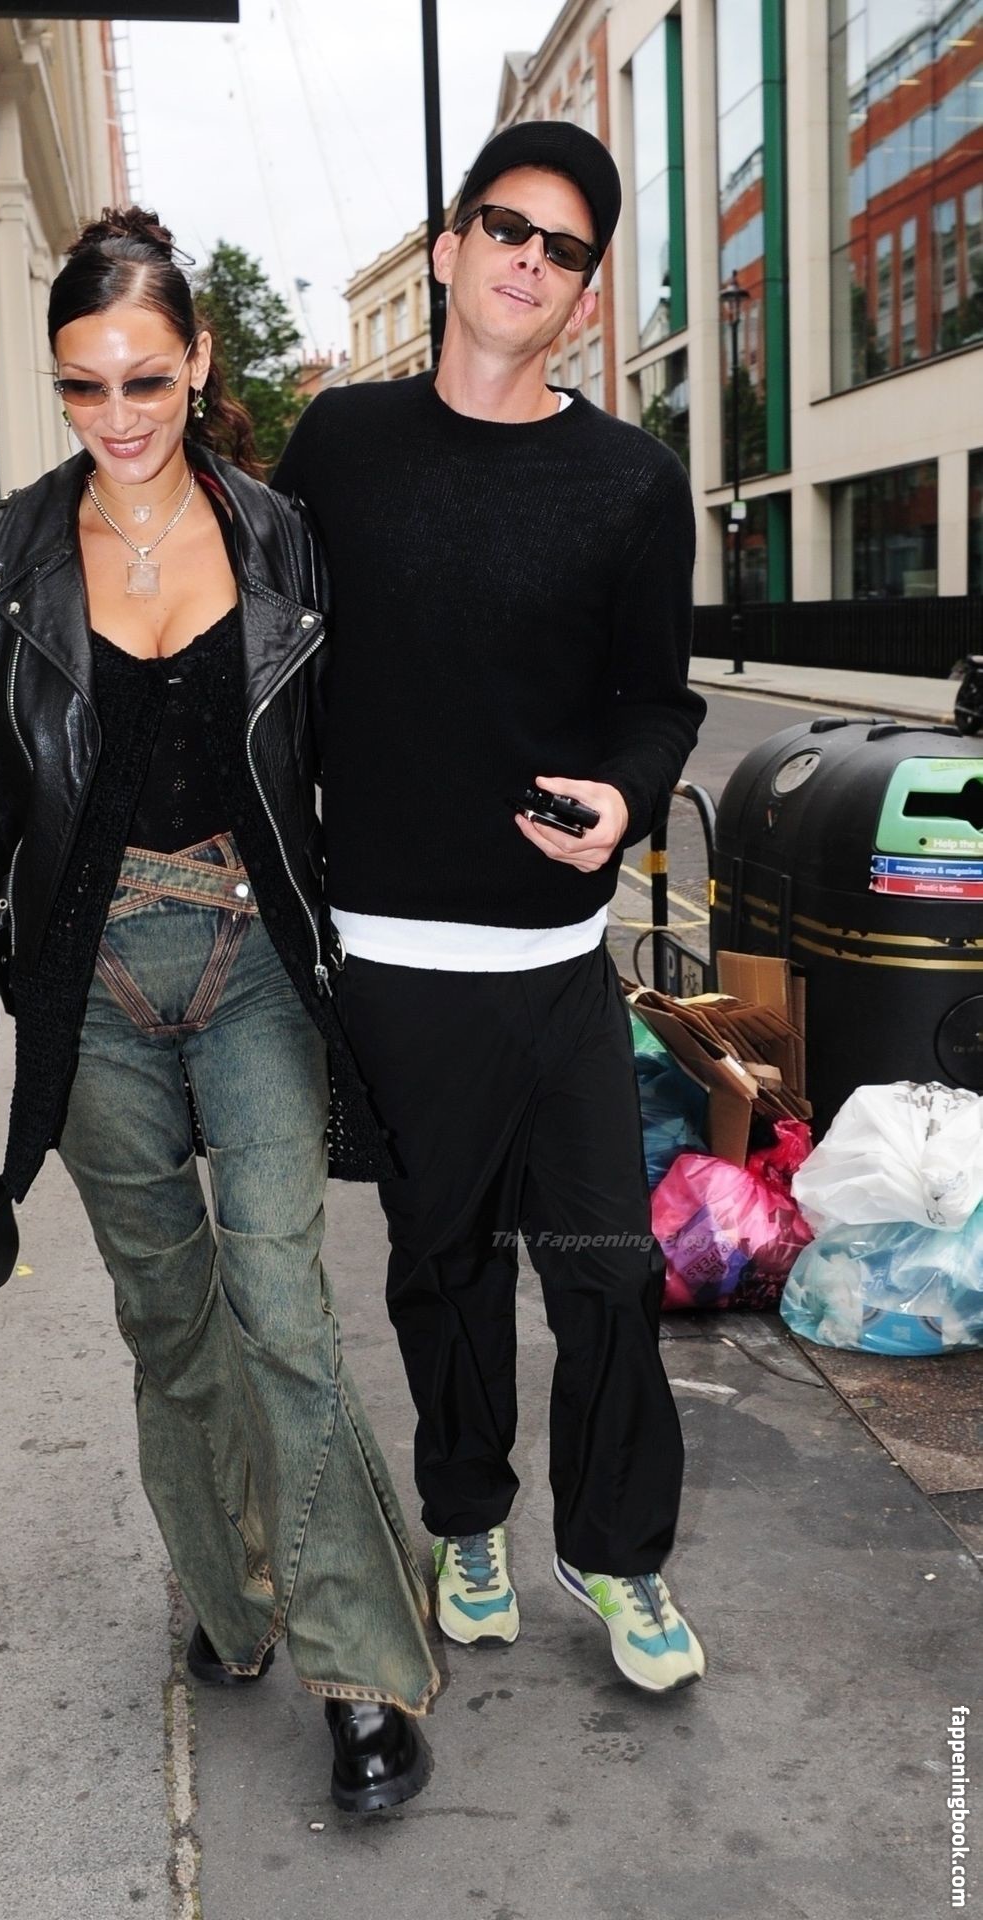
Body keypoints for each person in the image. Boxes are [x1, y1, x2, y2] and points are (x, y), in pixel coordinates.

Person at [0, 206, 438, 1810]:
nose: (118, 416)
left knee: (284, 1311)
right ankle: (231, 1588)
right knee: (168, 1319)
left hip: (251, 950)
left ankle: (359, 1670)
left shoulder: (282, 542)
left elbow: (366, 752)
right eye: (83, 385)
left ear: (199, 362)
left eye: (146, 378)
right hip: (88, 980)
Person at [274, 123, 708, 1692]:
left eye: (565, 248)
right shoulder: (340, 446)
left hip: (558, 967)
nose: (530, 259)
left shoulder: (631, 482)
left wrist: (627, 800)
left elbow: (658, 702)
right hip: (395, 966)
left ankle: (618, 1552)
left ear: (584, 296)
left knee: (606, 1267)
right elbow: (266, 663)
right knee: (442, 1271)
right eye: (506, 227)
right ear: (452, 246)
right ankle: (469, 1521)